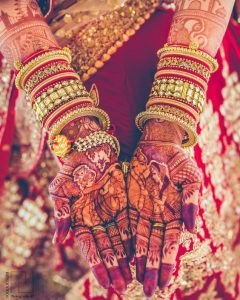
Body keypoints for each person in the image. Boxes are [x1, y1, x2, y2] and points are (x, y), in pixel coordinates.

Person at [0, 0, 239, 299]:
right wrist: (71, 118)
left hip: (180, 34)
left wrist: (169, 116)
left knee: (166, 239)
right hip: (37, 43)